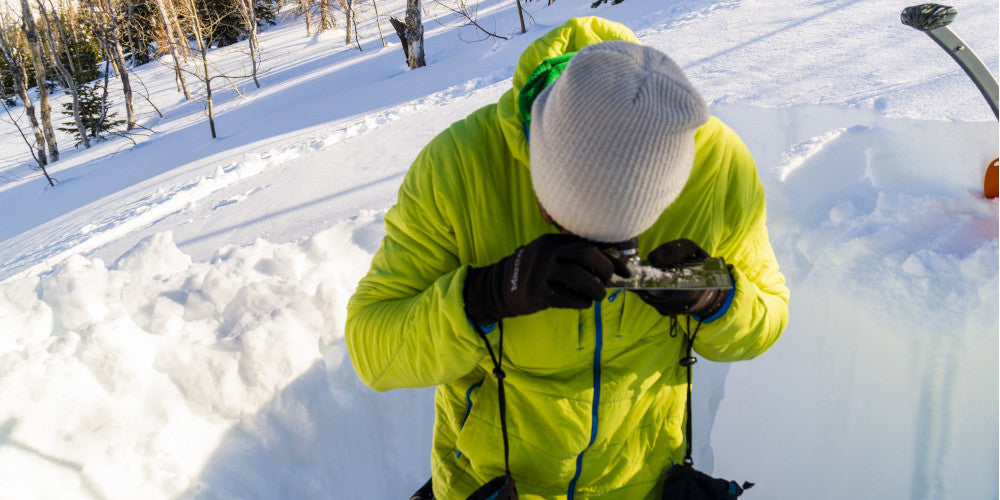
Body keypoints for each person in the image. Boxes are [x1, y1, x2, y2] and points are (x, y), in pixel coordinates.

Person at [346, 16, 789, 500]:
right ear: (536, 155)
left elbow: (769, 317)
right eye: (564, 218)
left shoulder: (719, 167)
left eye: (624, 234)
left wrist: (713, 296)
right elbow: (373, 349)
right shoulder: (459, 167)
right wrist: (483, 296)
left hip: (641, 485)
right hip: (491, 483)